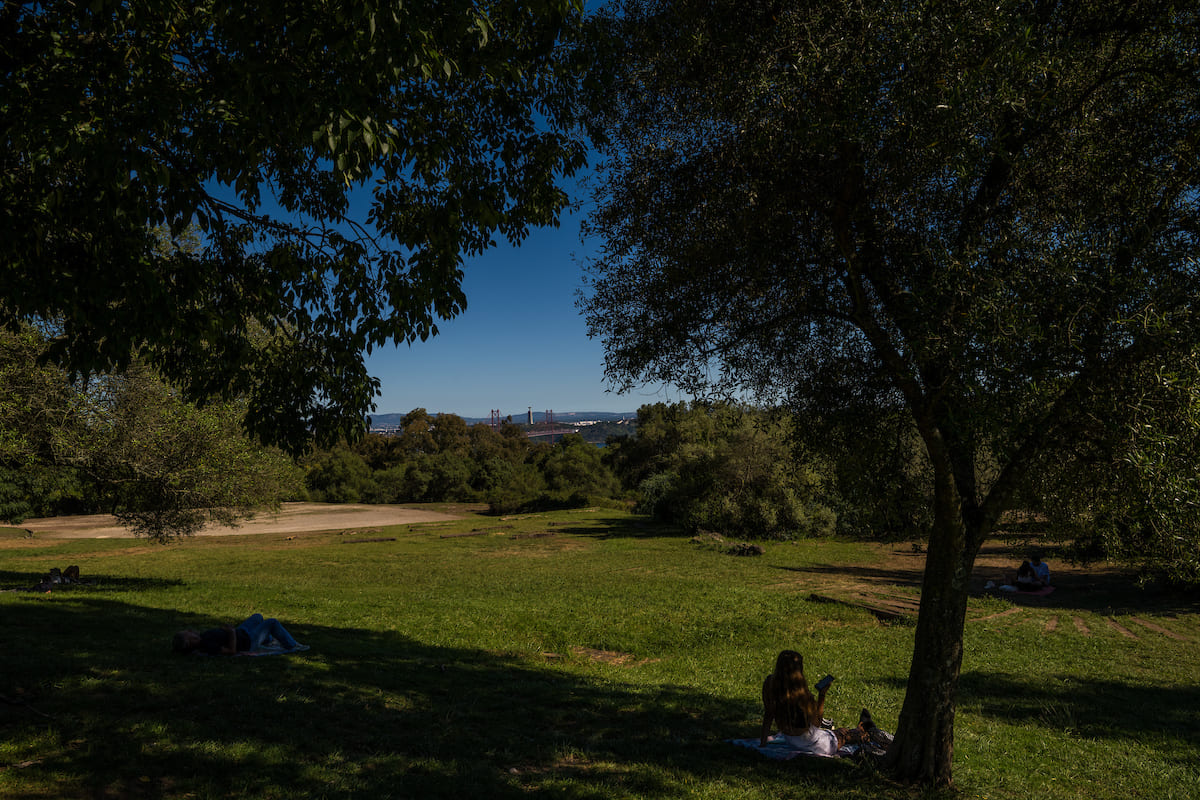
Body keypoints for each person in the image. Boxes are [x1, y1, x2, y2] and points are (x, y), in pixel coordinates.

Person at [758, 650, 889, 755]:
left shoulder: (770, 685)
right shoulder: (802, 696)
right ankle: (869, 732)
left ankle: (862, 726)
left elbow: (768, 715)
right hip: (814, 743)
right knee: (846, 735)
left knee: (840, 731)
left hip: (791, 740)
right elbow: (817, 723)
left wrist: (763, 743)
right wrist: (822, 695)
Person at [173, 613, 303, 655]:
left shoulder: (203, 636)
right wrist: (231, 633)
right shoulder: (207, 645)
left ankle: (267, 640)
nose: (190, 630)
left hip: (242, 632)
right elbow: (232, 650)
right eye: (187, 633)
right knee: (272, 623)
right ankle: (291, 645)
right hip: (247, 642)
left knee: (258, 617)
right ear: (189, 642)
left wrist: (231, 631)